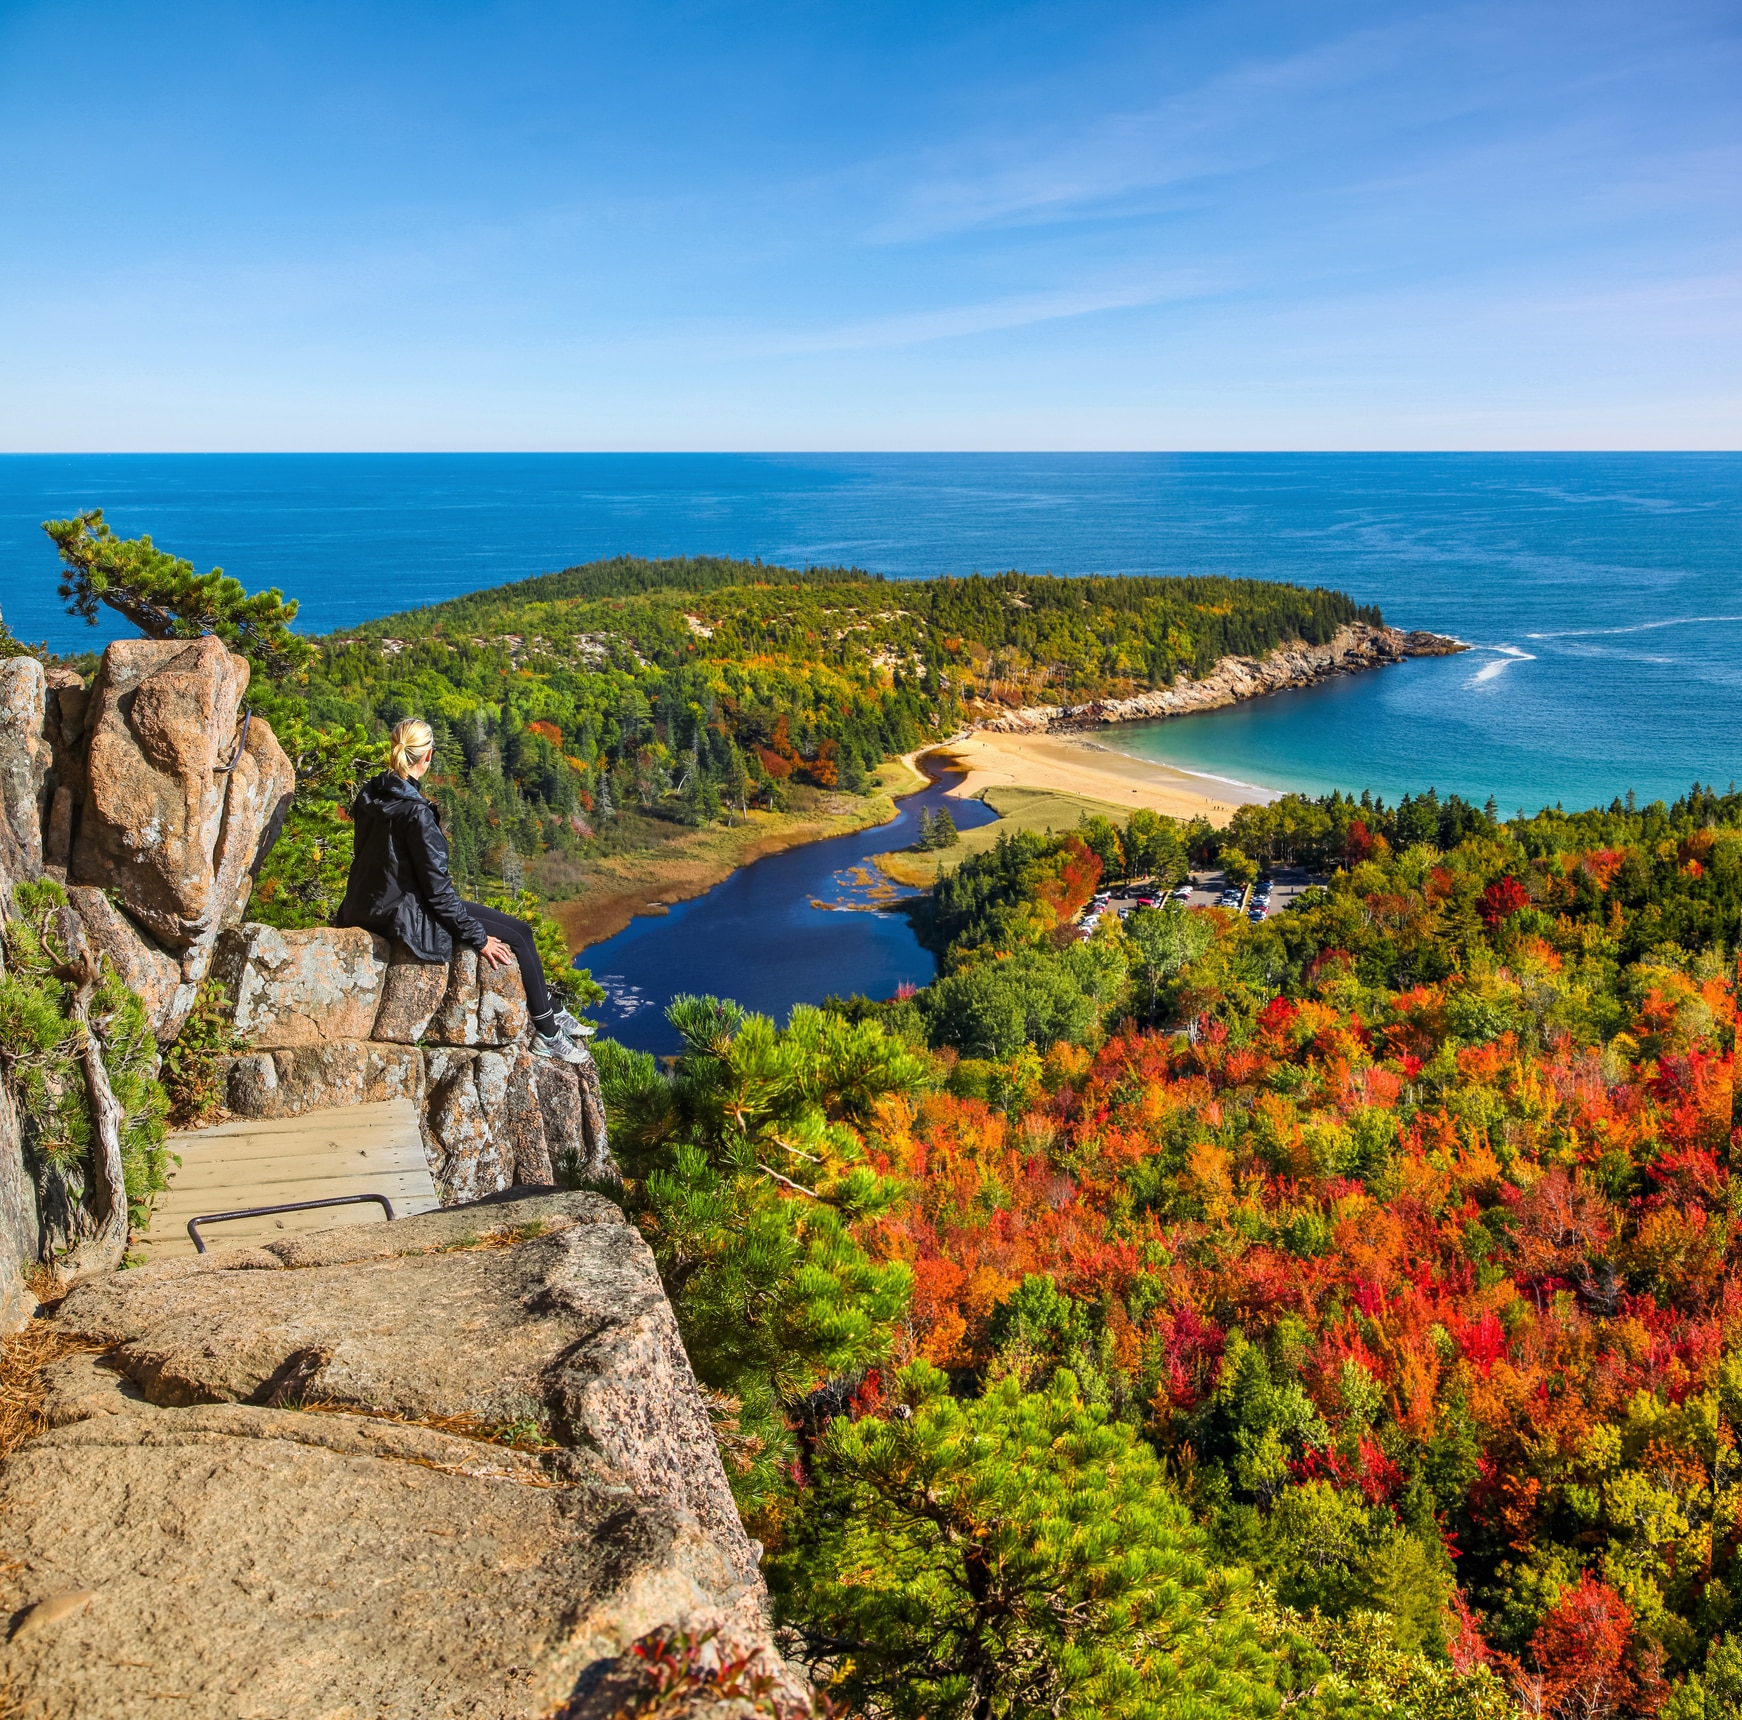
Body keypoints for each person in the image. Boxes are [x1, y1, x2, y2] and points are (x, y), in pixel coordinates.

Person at [336, 719, 590, 1064]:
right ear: (427, 755)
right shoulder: (416, 813)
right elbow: (438, 893)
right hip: (405, 911)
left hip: (365, 905)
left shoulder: (372, 793)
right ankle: (547, 1032)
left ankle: (552, 1010)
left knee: (512, 930)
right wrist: (478, 938)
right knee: (519, 933)